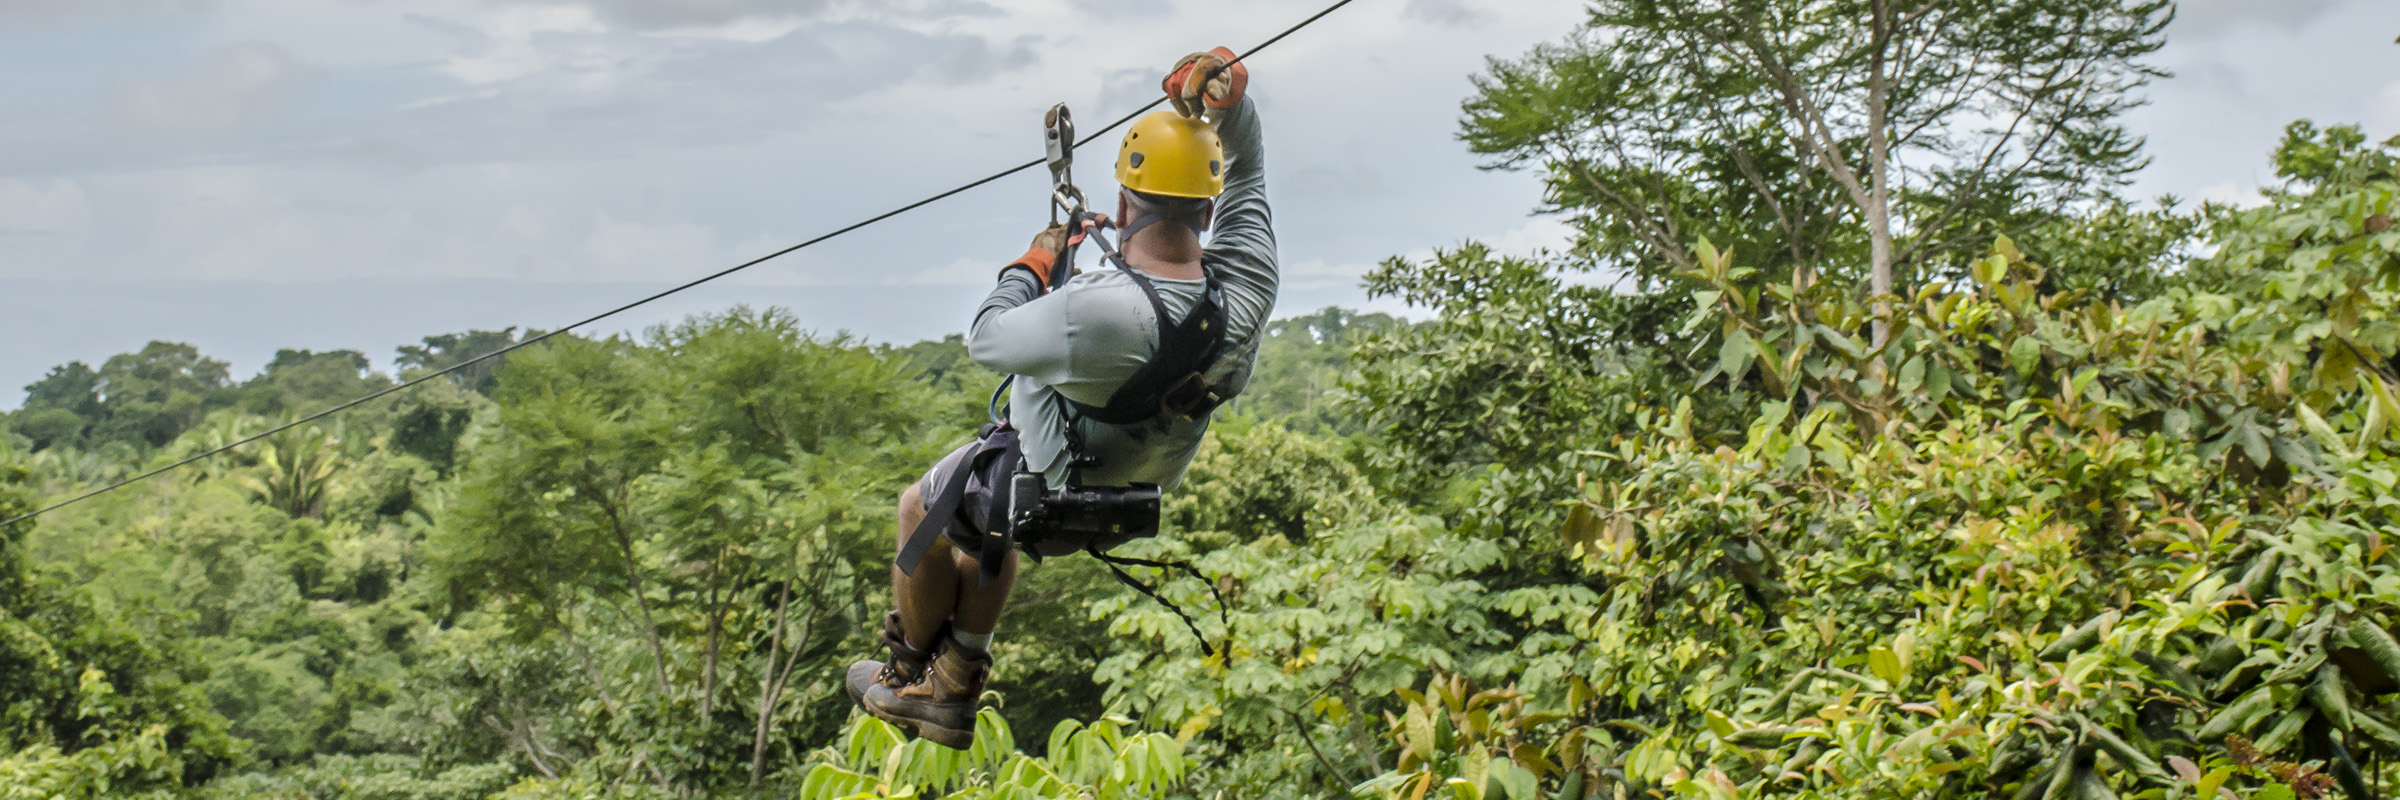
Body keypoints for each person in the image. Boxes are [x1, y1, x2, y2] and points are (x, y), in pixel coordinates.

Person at [844, 47, 1276, 750]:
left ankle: (910, 677)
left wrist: (1035, 263)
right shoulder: (1247, 290)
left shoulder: (1093, 314)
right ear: (1209, 206)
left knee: (921, 506)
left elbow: (988, 337)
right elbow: (1249, 170)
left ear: (1122, 204)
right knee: (986, 527)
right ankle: (955, 678)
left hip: (1056, 480)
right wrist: (1229, 104)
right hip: (1137, 487)